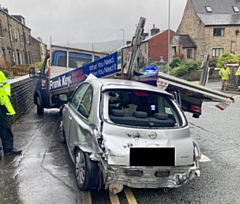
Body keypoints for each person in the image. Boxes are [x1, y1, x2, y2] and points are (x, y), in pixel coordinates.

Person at [0, 70, 22, 155]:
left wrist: (5, 96)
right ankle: (8, 149)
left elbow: (6, 86)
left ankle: (8, 148)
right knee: (4, 127)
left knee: (4, 127)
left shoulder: (0, 74)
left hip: (1, 105)